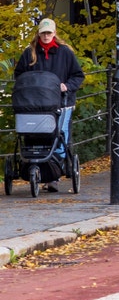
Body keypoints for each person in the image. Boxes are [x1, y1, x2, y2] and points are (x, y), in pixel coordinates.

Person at [12, 19, 86, 191]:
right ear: (39, 33)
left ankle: (54, 174)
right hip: (34, 103)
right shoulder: (29, 53)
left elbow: (78, 75)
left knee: (59, 135)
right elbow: (20, 76)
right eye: (43, 33)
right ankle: (36, 167)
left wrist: (66, 86)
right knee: (34, 135)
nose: (46, 36)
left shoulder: (65, 53)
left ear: (54, 33)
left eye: (49, 33)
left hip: (60, 102)